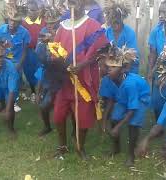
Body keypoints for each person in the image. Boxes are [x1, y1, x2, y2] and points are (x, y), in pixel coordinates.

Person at [49, 0, 108, 160]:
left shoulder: (93, 25)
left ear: (84, 4)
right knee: (59, 115)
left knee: (82, 116)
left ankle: (80, 147)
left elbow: (101, 51)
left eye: (77, 3)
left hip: (84, 79)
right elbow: (54, 50)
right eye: (71, 3)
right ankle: (62, 146)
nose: (74, 7)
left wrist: (83, 64)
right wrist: (60, 64)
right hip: (65, 80)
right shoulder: (63, 26)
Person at [99, 45, 150, 167]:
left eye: (113, 67)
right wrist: (104, 121)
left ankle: (131, 155)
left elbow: (132, 109)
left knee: (133, 124)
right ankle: (116, 149)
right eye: (108, 66)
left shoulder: (130, 84)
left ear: (122, 69)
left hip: (140, 99)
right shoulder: (107, 80)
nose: (109, 69)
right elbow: (111, 100)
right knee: (114, 119)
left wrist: (119, 128)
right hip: (123, 99)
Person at [0, 3, 30, 112]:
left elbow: (25, 51)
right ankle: (2, 101)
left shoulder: (25, 33)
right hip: (4, 59)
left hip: (16, 61)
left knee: (14, 81)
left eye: (14, 21)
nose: (11, 23)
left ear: (19, 23)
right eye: (10, 20)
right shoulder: (0, 31)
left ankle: (13, 101)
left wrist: (19, 66)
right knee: (2, 80)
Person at [34, 8, 61, 137]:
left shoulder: (63, 32)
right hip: (48, 72)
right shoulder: (42, 33)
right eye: (48, 23)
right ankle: (47, 126)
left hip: (63, 73)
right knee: (44, 106)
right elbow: (39, 55)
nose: (50, 25)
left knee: (67, 105)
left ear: (58, 21)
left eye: (53, 22)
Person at [104, 2, 140, 73]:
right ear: (109, 19)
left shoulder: (129, 33)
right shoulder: (107, 32)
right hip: (112, 68)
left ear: (122, 17)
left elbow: (131, 57)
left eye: (117, 17)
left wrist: (120, 71)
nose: (115, 20)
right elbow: (105, 53)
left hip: (128, 69)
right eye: (112, 18)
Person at [21, 0, 46, 102]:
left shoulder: (43, 22)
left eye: (33, 10)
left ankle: (41, 92)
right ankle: (33, 91)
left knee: (40, 71)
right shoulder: (23, 23)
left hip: (41, 50)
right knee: (29, 72)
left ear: (38, 11)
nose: (30, 12)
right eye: (28, 10)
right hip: (28, 52)